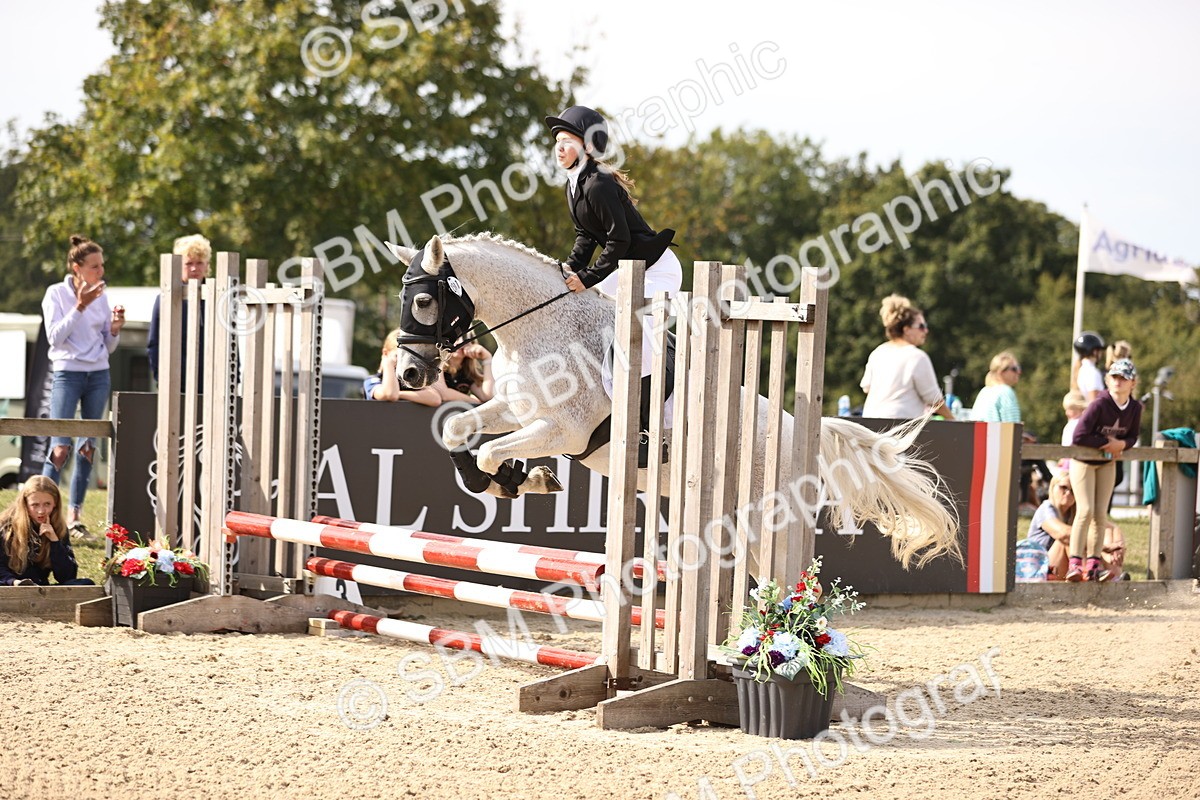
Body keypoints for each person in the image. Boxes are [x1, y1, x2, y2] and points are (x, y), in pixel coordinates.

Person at [545, 105, 681, 301]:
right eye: (558, 141)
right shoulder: (573, 184)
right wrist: (568, 269)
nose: (560, 147)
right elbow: (586, 235)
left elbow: (619, 239)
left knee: (626, 320)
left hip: (657, 270)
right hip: (630, 270)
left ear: (588, 147)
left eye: (567, 141)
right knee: (596, 305)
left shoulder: (598, 183)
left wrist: (587, 277)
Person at [41, 235, 124, 532]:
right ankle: (42, 515)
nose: (101, 271)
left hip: (99, 374)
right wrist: (79, 306)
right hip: (67, 372)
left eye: (102, 265)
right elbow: (55, 337)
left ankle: (75, 516)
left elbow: (109, 345)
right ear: (77, 268)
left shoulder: (102, 294)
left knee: (87, 446)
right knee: (59, 448)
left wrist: (114, 330)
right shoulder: (55, 294)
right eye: (95, 266)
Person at [1066, 358, 1142, 582]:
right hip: (1083, 461)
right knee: (1085, 510)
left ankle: (1094, 564)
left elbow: (1133, 436)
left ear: (1133, 383)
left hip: (1107, 463)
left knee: (1100, 514)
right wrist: (1106, 443)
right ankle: (1075, 563)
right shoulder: (1099, 404)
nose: (1119, 382)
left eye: (1124, 378)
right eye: (1115, 377)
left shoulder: (1135, 408)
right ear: (1107, 379)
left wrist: (1122, 445)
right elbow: (1078, 436)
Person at [860, 294, 954, 419]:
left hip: (870, 423)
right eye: (921, 326)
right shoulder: (917, 356)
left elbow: (867, 388)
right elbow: (934, 399)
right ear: (907, 330)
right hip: (899, 428)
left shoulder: (877, 352)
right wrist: (953, 419)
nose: (926, 331)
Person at [1025, 473, 1125, 581]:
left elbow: (1109, 526)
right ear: (1053, 487)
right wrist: (1102, 547)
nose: (1067, 493)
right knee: (1070, 538)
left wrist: (1117, 548)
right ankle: (1091, 573)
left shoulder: (1076, 513)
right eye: (1063, 487)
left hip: (1057, 566)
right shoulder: (1046, 508)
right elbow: (1063, 533)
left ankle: (1115, 578)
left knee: (1108, 531)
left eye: (1073, 491)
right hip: (1038, 568)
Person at [0, 476, 95, 586]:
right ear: (25, 504)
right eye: (35, 505)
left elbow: (67, 576)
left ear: (55, 504)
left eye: (47, 504)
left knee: (86, 584)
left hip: (41, 589)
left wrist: (54, 541)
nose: (41, 511)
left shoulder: (58, 527)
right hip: (10, 587)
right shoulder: (6, 526)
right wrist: (15, 583)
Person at [146, 234, 212, 389]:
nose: (194, 268)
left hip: (212, 382)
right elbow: (154, 342)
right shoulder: (165, 299)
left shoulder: (218, 298)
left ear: (207, 265)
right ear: (179, 266)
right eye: (189, 263)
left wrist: (234, 378)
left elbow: (231, 340)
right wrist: (161, 377)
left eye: (199, 263)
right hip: (176, 382)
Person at [364, 329, 488, 406]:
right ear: (385, 353)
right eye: (398, 356)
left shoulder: (407, 384)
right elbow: (390, 394)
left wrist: (401, 394)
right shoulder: (372, 381)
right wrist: (388, 364)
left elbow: (434, 398)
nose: (404, 362)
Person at [1071, 330, 1106, 403]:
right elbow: (1094, 403)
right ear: (1094, 351)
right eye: (1099, 351)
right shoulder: (1092, 372)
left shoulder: (1081, 369)